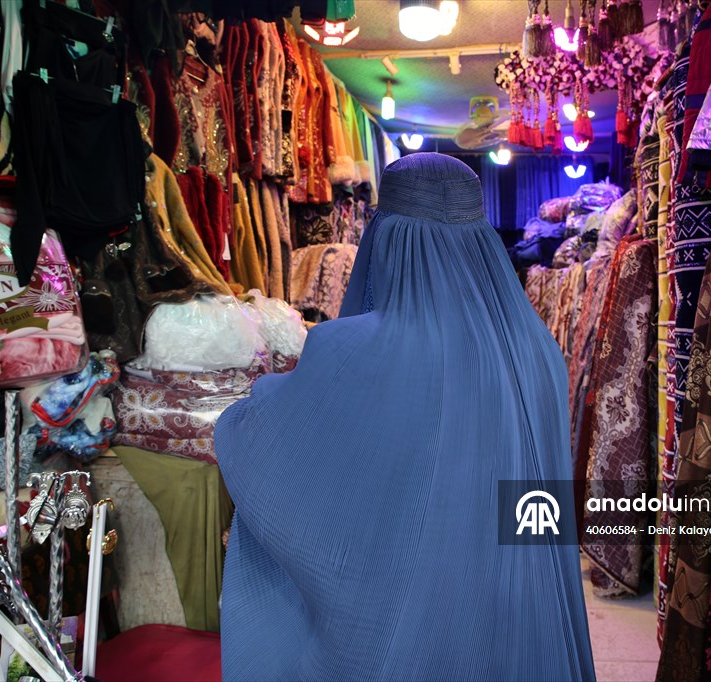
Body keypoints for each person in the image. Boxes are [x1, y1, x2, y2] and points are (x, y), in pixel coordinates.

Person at [214, 153, 595, 681]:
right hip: (514, 622)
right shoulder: (539, 354)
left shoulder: (348, 349)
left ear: (384, 240)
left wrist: (245, 411)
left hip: (409, 632)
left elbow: (273, 452)